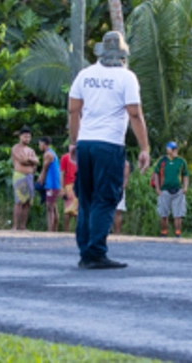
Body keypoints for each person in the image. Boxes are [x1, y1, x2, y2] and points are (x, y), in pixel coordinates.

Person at [68, 30, 151, 270]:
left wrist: (74, 142)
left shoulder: (85, 75)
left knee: (86, 198)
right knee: (105, 197)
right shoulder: (126, 77)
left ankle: (86, 251)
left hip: (85, 143)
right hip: (109, 144)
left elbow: (73, 110)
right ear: (122, 53)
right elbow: (134, 113)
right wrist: (144, 147)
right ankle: (96, 252)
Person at [153, 141, 189, 237]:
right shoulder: (162, 161)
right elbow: (156, 174)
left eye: (170, 149)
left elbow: (185, 175)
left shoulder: (181, 161)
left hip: (178, 190)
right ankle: (164, 232)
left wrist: (185, 188)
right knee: (163, 214)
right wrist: (157, 188)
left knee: (178, 214)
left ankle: (178, 233)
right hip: (164, 190)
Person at [11, 128, 39, 231]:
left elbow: (37, 161)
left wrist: (31, 160)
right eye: (25, 136)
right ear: (20, 136)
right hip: (20, 175)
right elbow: (22, 161)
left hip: (30, 176)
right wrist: (32, 161)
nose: (27, 139)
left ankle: (22, 226)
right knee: (19, 201)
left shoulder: (31, 150)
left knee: (27, 202)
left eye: (29, 137)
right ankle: (14, 226)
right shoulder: (16, 148)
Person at [38, 137, 63, 232]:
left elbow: (45, 168)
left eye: (40, 144)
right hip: (55, 183)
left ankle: (50, 230)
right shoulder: (53, 153)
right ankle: (54, 229)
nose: (39, 146)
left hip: (51, 183)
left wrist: (41, 180)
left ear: (44, 144)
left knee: (49, 207)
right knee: (53, 206)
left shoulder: (47, 154)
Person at [61, 145, 79, 231]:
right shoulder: (65, 157)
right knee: (67, 210)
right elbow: (62, 173)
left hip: (78, 184)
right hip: (69, 184)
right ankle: (66, 230)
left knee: (78, 211)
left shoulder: (80, 157)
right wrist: (62, 188)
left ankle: (79, 230)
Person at [113, 159, 132, 235]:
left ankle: (117, 233)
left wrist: (122, 188)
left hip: (118, 188)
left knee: (118, 211)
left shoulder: (125, 163)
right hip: (108, 187)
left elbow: (126, 178)